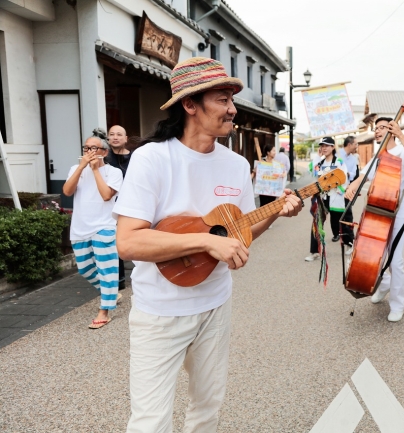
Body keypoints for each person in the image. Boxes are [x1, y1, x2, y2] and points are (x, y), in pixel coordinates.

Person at [112, 57, 303, 432]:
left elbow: (239, 232)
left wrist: (276, 211)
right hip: (159, 312)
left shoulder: (235, 164)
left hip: (216, 306)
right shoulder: (152, 158)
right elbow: (128, 241)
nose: (233, 109)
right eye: (222, 99)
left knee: (207, 409)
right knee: (150, 422)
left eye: (232, 99)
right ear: (190, 104)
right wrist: (204, 241)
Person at [345, 118, 404, 322]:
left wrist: (401, 134)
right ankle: (385, 283)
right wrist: (352, 186)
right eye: (376, 128)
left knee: (395, 259)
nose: (377, 131)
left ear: (391, 129)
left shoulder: (402, 151)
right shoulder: (379, 155)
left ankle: (398, 304)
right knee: (376, 252)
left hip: (399, 212)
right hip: (377, 211)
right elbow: (364, 176)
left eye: (382, 127)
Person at [62, 128, 123, 329]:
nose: (88, 151)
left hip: (104, 226)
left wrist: (95, 170)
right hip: (80, 227)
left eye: (93, 148)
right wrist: (81, 168)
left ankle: (104, 311)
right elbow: (67, 191)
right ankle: (110, 292)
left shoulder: (114, 172)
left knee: (106, 270)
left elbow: (106, 195)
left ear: (104, 152)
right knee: (85, 269)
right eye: (86, 148)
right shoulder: (75, 169)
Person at [305, 137, 349, 261]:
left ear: (333, 147)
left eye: (327, 145)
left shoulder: (339, 162)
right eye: (322, 145)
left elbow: (344, 178)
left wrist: (339, 189)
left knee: (339, 223)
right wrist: (318, 157)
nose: (324, 148)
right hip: (322, 198)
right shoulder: (320, 163)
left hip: (335, 196)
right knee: (317, 222)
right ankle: (314, 251)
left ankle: (349, 242)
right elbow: (313, 173)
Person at [107, 124, 131, 290]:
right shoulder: (104, 159)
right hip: (109, 205)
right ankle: (118, 278)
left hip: (130, 204)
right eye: (112, 134)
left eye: (119, 134)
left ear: (126, 138)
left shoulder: (134, 158)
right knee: (114, 241)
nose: (115, 137)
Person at [340, 136, 359, 247]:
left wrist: (347, 173)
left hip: (347, 189)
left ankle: (350, 241)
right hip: (334, 191)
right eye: (355, 144)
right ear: (349, 144)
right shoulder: (337, 154)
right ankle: (316, 248)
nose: (357, 146)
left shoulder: (353, 158)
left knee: (348, 215)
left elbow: (354, 174)